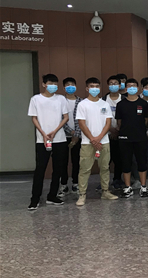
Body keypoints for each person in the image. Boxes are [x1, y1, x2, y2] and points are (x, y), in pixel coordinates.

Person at [27, 74, 69, 210]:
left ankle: (52, 195)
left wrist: (55, 131)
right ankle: (35, 198)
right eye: (50, 83)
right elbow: (34, 118)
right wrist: (43, 134)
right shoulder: (36, 99)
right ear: (44, 84)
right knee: (40, 169)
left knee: (58, 169)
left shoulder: (61, 99)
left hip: (60, 138)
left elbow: (66, 117)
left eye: (55, 84)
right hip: (42, 140)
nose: (53, 86)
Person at [75, 77, 119, 205]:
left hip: (104, 141)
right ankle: (82, 194)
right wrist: (92, 139)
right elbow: (81, 123)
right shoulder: (82, 104)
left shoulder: (104, 104)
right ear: (87, 88)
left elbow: (108, 122)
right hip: (87, 142)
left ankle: (105, 191)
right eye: (92, 86)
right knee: (84, 169)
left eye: (97, 86)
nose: (95, 89)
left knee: (105, 168)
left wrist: (99, 138)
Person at [116, 79, 148, 198]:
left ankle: (143, 186)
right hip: (125, 137)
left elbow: (146, 120)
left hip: (140, 137)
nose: (131, 88)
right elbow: (119, 122)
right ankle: (127, 187)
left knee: (142, 161)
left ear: (138, 88)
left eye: (134, 86)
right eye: (129, 86)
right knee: (126, 162)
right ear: (125, 89)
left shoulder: (143, 104)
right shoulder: (121, 104)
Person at [58, 77, 82, 197]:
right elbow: (59, 118)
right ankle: (63, 184)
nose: (70, 87)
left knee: (76, 161)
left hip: (78, 136)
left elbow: (82, 119)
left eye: (72, 85)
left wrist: (76, 134)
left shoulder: (81, 102)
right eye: (68, 85)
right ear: (63, 88)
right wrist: (70, 131)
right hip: (63, 135)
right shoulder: (60, 101)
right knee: (63, 161)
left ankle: (75, 183)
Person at [103, 75, 124, 190]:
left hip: (121, 133)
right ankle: (104, 182)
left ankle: (117, 179)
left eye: (115, 83)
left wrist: (118, 130)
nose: (113, 85)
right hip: (106, 134)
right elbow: (100, 117)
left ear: (120, 85)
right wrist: (110, 129)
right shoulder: (103, 100)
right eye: (111, 83)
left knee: (119, 158)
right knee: (106, 159)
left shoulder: (124, 99)